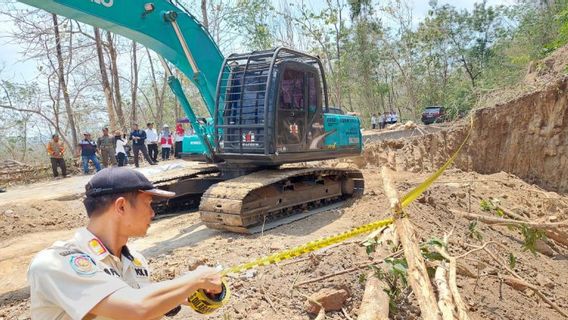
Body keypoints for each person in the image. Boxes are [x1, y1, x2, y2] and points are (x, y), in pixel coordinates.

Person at [27, 167, 222, 319]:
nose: (153, 213)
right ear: (121, 206)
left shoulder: (135, 261)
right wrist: (196, 278)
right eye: (148, 204)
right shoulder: (55, 263)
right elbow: (137, 306)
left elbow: (139, 311)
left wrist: (182, 295)